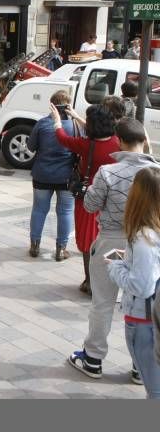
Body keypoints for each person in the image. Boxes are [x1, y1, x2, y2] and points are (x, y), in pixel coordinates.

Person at [67, 119, 158, 380]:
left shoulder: (107, 171)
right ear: (144, 140)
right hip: (149, 242)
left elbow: (90, 205)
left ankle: (93, 358)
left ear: (119, 140)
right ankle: (141, 366)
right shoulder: (156, 171)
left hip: (111, 241)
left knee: (102, 303)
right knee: (146, 305)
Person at [52, 104, 120, 294]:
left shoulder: (86, 145)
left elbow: (63, 138)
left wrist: (57, 121)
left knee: (88, 242)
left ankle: (89, 281)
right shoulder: (117, 143)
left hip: (87, 200)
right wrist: (77, 116)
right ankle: (110, 280)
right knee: (111, 240)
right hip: (111, 201)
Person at [107, 167, 160, 398]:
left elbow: (142, 286)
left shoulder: (143, 238)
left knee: (155, 391)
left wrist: (116, 266)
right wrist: (129, 259)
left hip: (144, 320)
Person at [27, 91, 76, 261]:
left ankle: (35, 245)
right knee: (65, 212)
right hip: (67, 177)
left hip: (42, 174)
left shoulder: (41, 124)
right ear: (68, 106)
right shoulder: (74, 127)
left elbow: (31, 147)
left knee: (39, 209)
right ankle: (61, 249)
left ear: (52, 105)